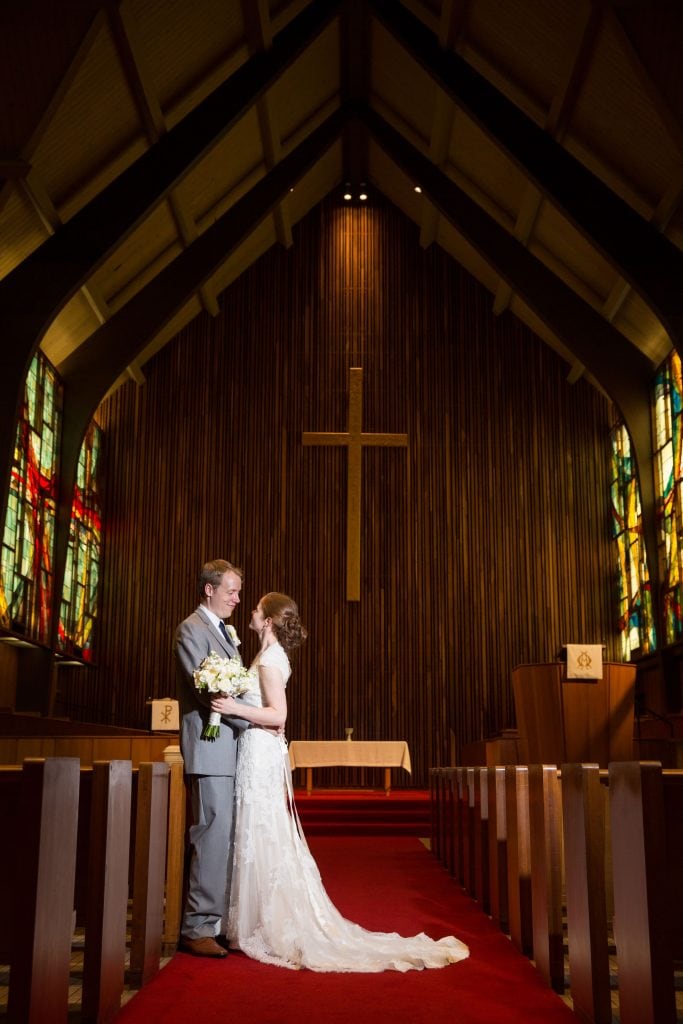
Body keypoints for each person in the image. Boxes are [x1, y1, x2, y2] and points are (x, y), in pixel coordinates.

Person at [210, 592, 470, 972]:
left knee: (259, 830)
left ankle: (256, 923)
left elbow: (278, 715)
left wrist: (233, 707)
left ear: (267, 621)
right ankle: (250, 920)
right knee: (259, 833)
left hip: (259, 749)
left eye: (256, 609)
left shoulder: (268, 659)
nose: (249, 611)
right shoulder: (269, 655)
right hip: (258, 752)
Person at [174, 558, 250, 959]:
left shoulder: (224, 631)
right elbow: (207, 690)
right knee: (211, 835)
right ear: (209, 589)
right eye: (231, 591)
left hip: (227, 747)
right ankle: (197, 926)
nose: (237, 599)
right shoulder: (192, 629)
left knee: (226, 838)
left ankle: (215, 921)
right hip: (210, 746)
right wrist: (252, 719)